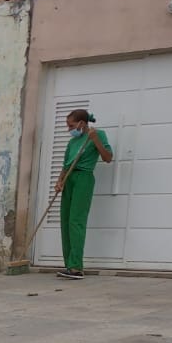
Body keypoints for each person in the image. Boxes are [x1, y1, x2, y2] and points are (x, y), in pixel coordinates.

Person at [56, 110, 112, 281]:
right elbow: (66, 164)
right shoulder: (73, 142)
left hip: (84, 178)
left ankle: (76, 267)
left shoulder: (98, 134)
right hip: (69, 179)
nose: (69, 129)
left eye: (71, 125)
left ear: (82, 123)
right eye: (68, 125)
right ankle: (69, 264)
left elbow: (108, 157)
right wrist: (60, 181)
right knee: (65, 221)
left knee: (76, 221)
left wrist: (95, 140)